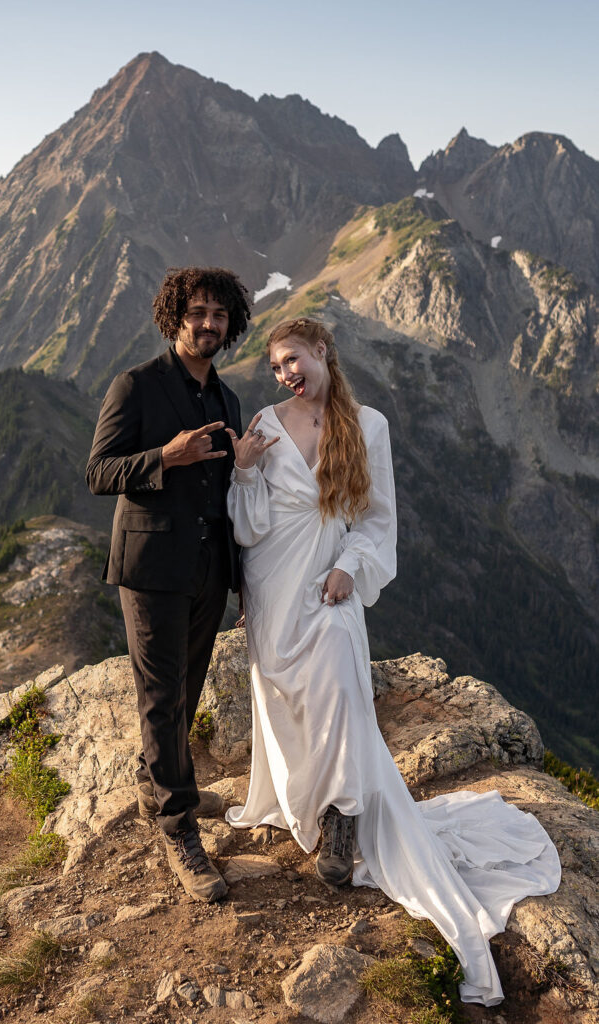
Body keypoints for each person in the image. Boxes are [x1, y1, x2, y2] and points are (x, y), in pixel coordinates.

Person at [224, 316, 561, 1006]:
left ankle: (344, 817)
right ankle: (309, 802)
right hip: (272, 582)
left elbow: (378, 521)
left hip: (329, 583)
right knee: (288, 702)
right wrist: (245, 471)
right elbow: (246, 525)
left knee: (344, 692)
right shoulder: (262, 420)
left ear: (322, 352)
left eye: (295, 358)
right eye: (277, 365)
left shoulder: (366, 425)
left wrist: (351, 565)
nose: (287, 372)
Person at [86, 266, 250, 903]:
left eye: (219, 315)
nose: (208, 324)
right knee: (161, 695)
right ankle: (177, 826)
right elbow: (99, 472)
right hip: (152, 570)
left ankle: (164, 779)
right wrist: (165, 457)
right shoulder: (136, 386)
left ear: (230, 324)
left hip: (209, 569)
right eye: (198, 312)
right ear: (174, 316)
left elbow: (228, 493)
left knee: (186, 687)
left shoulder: (228, 400)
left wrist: (240, 579)